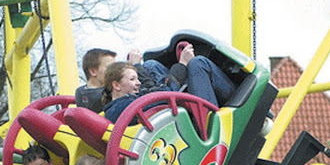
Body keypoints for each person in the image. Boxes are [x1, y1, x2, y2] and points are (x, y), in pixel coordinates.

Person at [102, 42, 235, 122]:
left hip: (178, 116)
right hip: (203, 124)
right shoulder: (124, 107)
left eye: (137, 79)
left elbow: (151, 90)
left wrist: (138, 66)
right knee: (198, 63)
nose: (138, 83)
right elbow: (167, 93)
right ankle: (238, 103)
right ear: (116, 85)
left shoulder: (124, 103)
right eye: (132, 79)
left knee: (150, 65)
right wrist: (182, 64)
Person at [75, 48, 117, 113]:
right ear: (93, 71)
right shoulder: (105, 95)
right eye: (110, 67)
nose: (116, 71)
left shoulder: (80, 92)